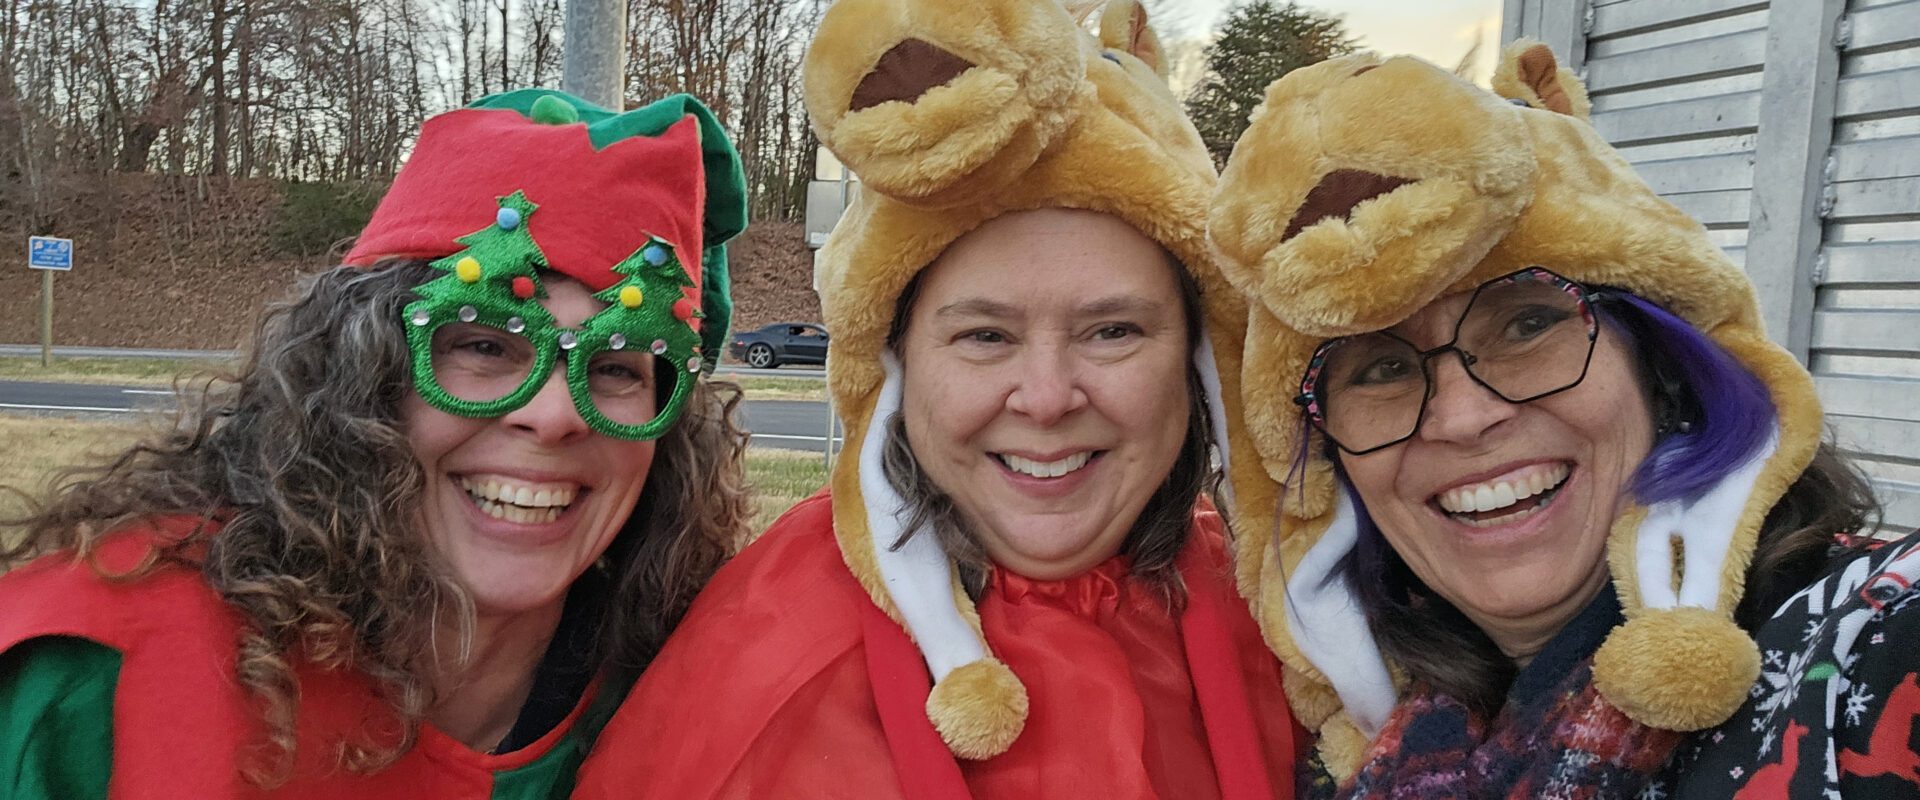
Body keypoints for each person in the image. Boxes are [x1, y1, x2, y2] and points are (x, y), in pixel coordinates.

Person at [570, 0, 1302, 798]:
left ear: (1197, 362)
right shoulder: (769, 661)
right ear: (894, 365)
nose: (1048, 398)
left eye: (1114, 331)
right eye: (985, 336)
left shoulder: (1295, 617)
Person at [1205, 41, 1913, 798]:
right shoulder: (1331, 756)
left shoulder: (1871, 643)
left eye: (1526, 325)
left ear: (1660, 363)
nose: (1464, 417)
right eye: (1381, 368)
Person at [0, 89, 751, 798]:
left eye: (618, 366)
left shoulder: (697, 702)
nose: (555, 416)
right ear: (360, 375)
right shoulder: (89, 680)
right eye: (484, 346)